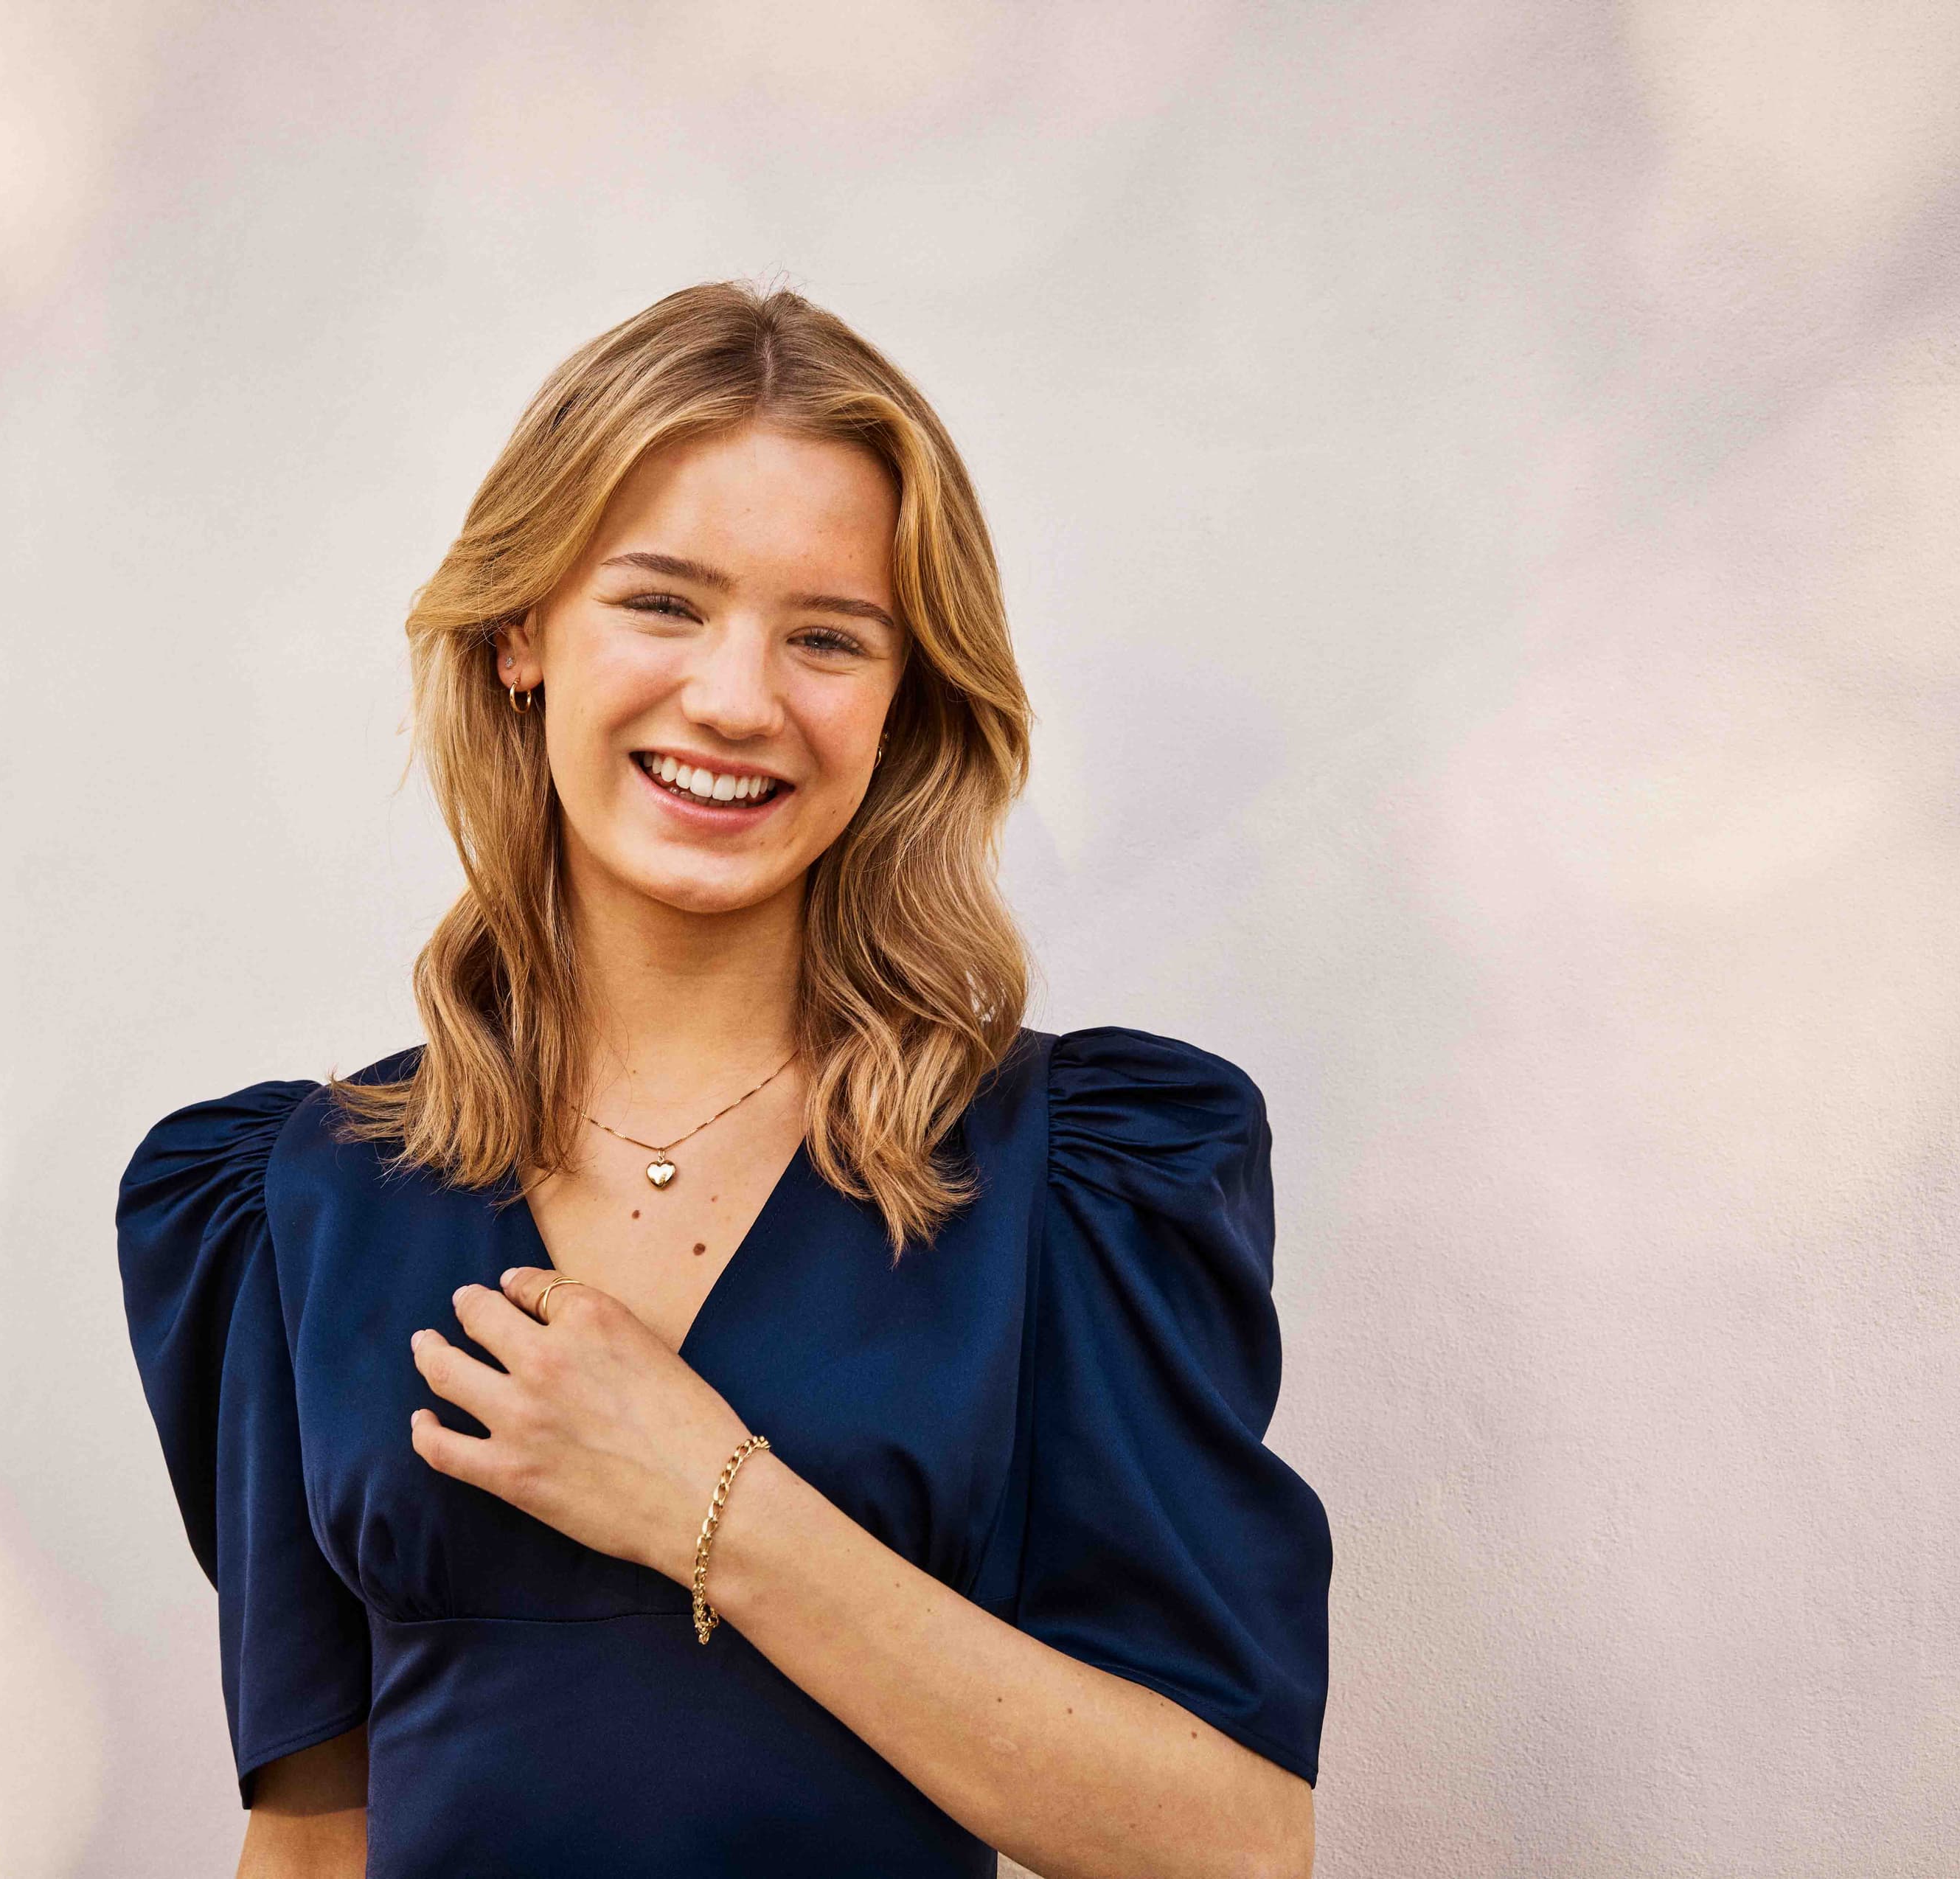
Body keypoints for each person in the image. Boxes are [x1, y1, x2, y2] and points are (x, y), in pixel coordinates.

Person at [117, 282, 1331, 1879]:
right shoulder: (295, 1200)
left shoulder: (1078, 1180)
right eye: (664, 604)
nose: (739, 700)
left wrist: (714, 1500)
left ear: (901, 702)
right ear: (521, 634)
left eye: (827, 637)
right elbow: (313, 1837)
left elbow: (1236, 1845)